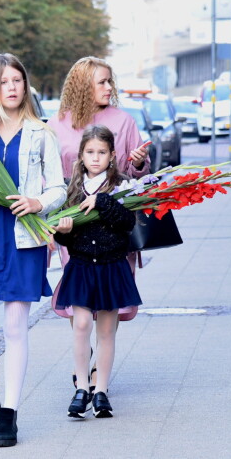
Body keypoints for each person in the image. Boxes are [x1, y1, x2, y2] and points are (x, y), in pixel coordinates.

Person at [0, 53, 66, 447]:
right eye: (4, 81)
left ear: (26, 85)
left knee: (16, 328)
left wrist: (38, 203)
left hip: (23, 239)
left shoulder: (42, 133)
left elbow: (58, 188)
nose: (13, 87)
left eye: (18, 80)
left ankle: (10, 414)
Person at [46, 56, 149, 393]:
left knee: (108, 304)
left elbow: (136, 180)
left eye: (109, 81)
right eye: (102, 82)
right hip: (73, 225)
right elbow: (47, 175)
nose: (109, 87)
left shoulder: (124, 121)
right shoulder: (56, 124)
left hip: (114, 225)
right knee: (81, 307)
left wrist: (139, 163)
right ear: (82, 86)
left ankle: (97, 374)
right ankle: (84, 359)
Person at [52, 125, 142, 419]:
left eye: (101, 153)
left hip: (111, 265)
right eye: (90, 152)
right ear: (80, 155)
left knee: (106, 330)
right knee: (80, 326)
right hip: (80, 266)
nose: (95, 158)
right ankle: (81, 386)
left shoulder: (122, 186)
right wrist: (62, 233)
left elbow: (126, 222)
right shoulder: (72, 188)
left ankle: (100, 390)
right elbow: (65, 234)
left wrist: (102, 201)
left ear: (112, 155)